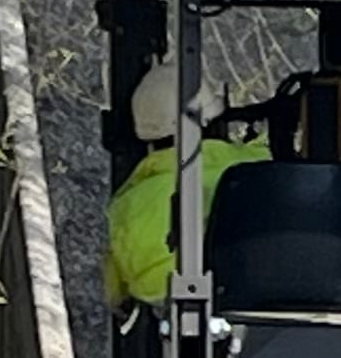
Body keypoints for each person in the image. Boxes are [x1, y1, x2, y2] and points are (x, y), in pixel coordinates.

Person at [101, 54, 267, 306]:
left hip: (182, 324)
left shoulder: (126, 207)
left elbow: (117, 295)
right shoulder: (262, 167)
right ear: (212, 123)